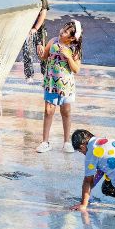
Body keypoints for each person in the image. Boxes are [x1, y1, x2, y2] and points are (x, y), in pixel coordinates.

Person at [36, 20, 83, 154]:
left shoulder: (74, 49)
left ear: (72, 37)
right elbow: (44, 57)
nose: (62, 31)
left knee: (66, 112)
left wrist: (68, 57)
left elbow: (76, 69)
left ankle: (67, 142)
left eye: (66, 31)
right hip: (51, 84)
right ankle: (45, 142)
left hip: (65, 86)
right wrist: (40, 51)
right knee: (48, 111)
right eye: (63, 28)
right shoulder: (53, 41)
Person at [22, 0, 48, 81]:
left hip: (39, 28)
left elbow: (42, 16)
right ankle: (29, 75)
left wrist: (35, 28)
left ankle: (45, 74)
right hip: (27, 27)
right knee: (26, 51)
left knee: (42, 52)